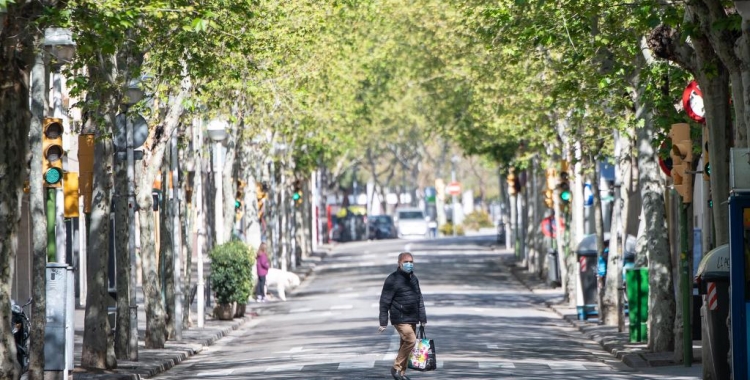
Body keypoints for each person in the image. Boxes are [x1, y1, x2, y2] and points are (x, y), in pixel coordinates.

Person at [379, 252, 426, 380]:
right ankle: (396, 367)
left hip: (412, 317)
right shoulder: (392, 279)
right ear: (399, 263)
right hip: (399, 318)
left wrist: (423, 318)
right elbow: (384, 301)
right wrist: (383, 322)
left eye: (411, 262)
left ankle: (401, 374)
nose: (409, 264)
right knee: (411, 340)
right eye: (406, 262)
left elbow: (419, 299)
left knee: (404, 345)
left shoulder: (414, 279)